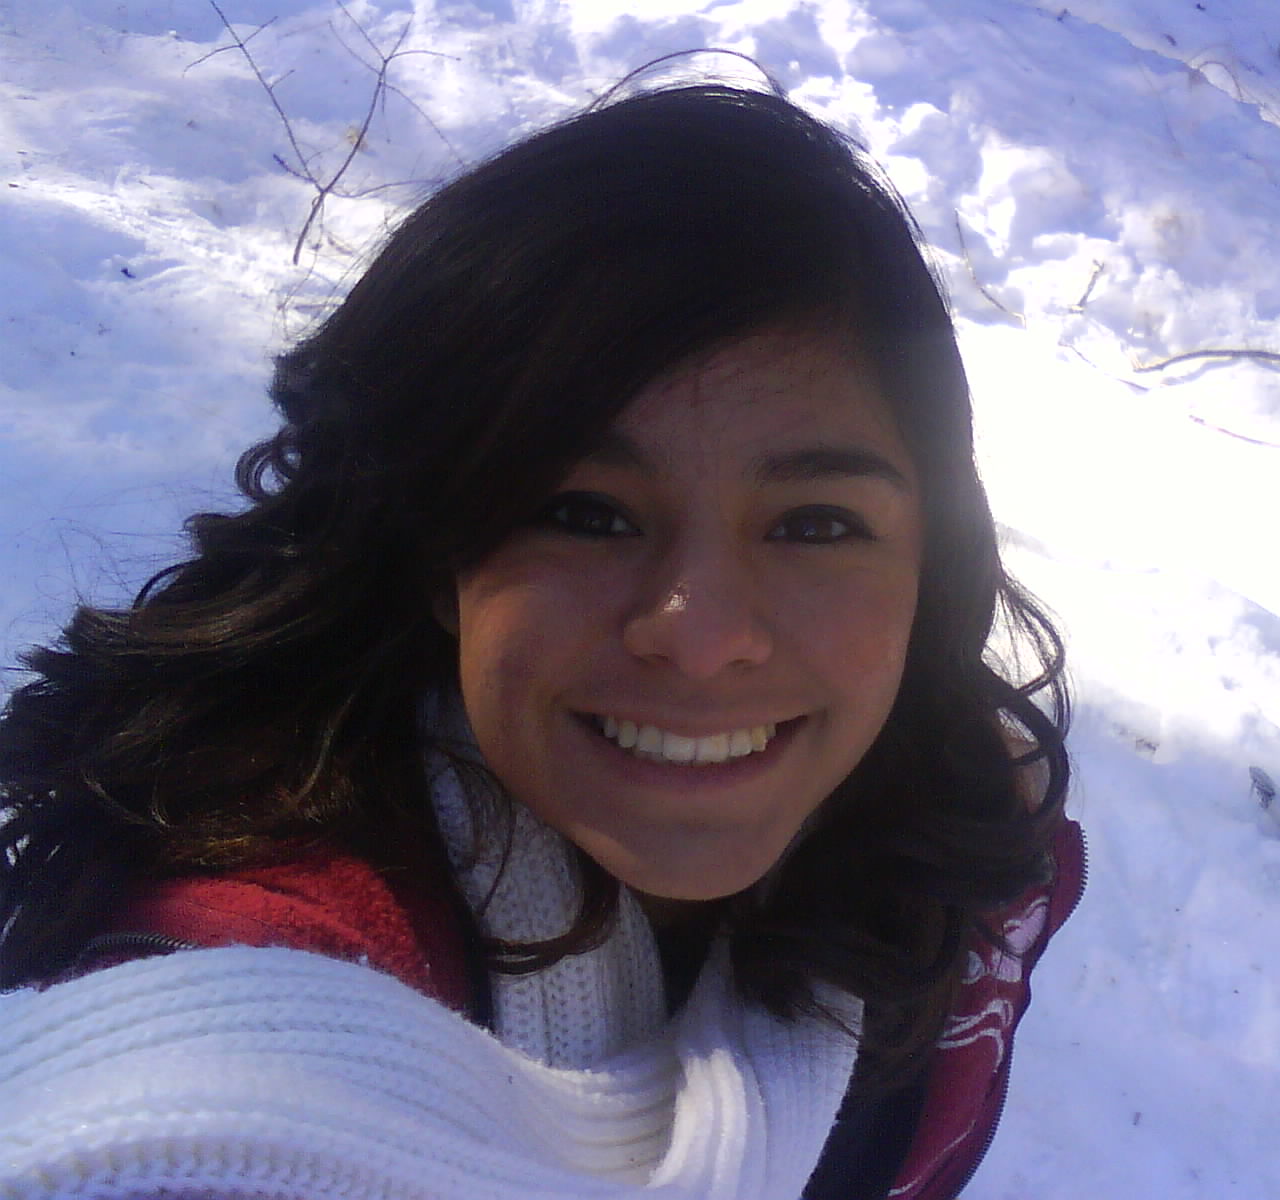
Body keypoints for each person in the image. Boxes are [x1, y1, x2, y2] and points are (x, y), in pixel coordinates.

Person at [0, 80, 1084, 1199]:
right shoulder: (249, 994)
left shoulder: (963, 831)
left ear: (928, 562)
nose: (702, 639)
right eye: (585, 513)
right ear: (438, 555)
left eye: (814, 524)